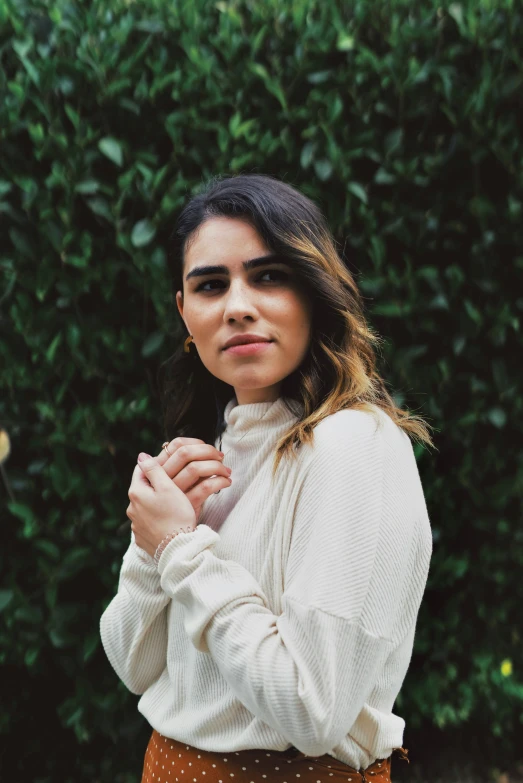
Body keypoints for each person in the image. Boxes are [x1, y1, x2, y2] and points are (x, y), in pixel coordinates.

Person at [100, 173, 434, 783]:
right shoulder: (211, 450)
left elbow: (312, 710)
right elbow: (133, 664)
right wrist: (152, 549)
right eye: (210, 285)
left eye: (269, 276)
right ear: (184, 311)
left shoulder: (353, 446)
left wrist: (179, 548)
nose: (238, 306)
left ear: (314, 291)